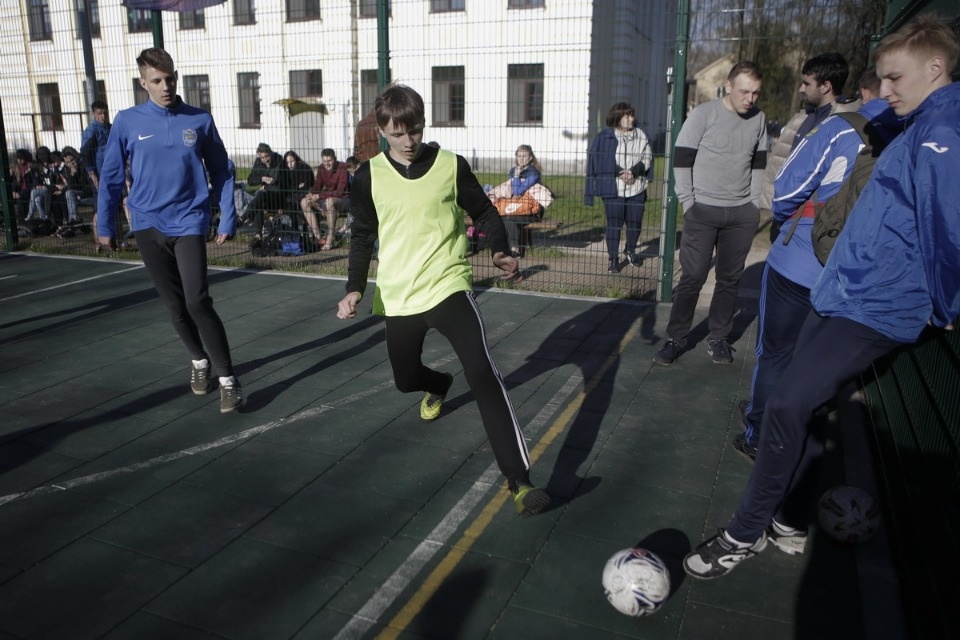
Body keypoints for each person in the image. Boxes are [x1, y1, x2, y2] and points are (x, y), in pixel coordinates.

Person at [683, 14, 959, 580]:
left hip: (876, 307)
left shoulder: (943, 131)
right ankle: (787, 518)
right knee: (800, 404)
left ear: (936, 68)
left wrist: (948, 304)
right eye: (880, 79)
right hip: (843, 293)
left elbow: (946, 224)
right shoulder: (913, 121)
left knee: (787, 403)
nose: (883, 91)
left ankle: (744, 533)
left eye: (894, 78)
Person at [336, 84, 550, 518]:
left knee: (483, 372)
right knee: (405, 379)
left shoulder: (451, 165)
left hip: (448, 284)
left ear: (423, 124)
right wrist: (354, 287)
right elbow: (361, 236)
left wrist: (499, 249)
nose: (409, 141)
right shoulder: (368, 177)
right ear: (382, 132)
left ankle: (519, 480)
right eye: (398, 134)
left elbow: (485, 211)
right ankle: (436, 385)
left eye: (414, 130)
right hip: (399, 294)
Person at [733, 67, 901, 463]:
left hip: (800, 263)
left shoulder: (840, 129)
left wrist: (792, 223)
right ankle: (793, 437)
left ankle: (759, 433)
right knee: (815, 365)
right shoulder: (915, 136)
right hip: (856, 276)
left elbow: (786, 190)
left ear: (865, 91)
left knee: (775, 353)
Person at [96, 47, 244, 413]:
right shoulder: (127, 121)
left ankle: (228, 380)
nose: (166, 86)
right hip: (147, 223)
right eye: (157, 80)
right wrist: (105, 223)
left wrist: (227, 217)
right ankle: (199, 359)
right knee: (175, 306)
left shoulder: (199, 120)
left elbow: (222, 172)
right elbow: (111, 177)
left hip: (189, 220)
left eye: (170, 79)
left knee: (197, 301)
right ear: (143, 83)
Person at [654, 62, 768, 365]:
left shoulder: (759, 119)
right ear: (728, 86)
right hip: (702, 210)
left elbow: (759, 164)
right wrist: (689, 203)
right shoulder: (704, 114)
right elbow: (681, 159)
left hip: (741, 214)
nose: (750, 99)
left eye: (756, 93)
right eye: (744, 91)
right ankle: (676, 338)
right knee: (692, 277)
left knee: (729, 279)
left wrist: (753, 204)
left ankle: (719, 338)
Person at [760, 52, 859, 229]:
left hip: (815, 221)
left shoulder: (845, 125)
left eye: (806, 83)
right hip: (784, 214)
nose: (801, 89)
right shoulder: (803, 117)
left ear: (825, 86)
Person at [584, 103, 654, 273]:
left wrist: (634, 172)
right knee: (614, 224)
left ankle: (630, 250)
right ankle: (613, 259)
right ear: (617, 117)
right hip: (613, 187)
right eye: (627, 116)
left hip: (636, 187)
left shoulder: (642, 135)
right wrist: (620, 172)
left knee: (635, 223)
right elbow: (599, 161)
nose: (631, 119)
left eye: (632, 115)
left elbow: (647, 158)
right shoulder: (605, 137)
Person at [488, 144, 545, 257]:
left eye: (524, 156)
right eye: (519, 156)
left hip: (531, 211)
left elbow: (517, 191)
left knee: (509, 218)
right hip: (516, 207)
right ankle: (508, 247)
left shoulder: (533, 173)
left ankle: (514, 249)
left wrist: (516, 176)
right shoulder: (513, 170)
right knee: (503, 217)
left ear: (530, 158)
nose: (521, 159)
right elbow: (511, 191)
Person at [300, 148, 349, 250]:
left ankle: (330, 239)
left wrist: (319, 196)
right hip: (327, 198)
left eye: (330, 160)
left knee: (330, 201)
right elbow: (317, 186)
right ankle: (319, 238)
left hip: (344, 199)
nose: (327, 164)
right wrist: (311, 194)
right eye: (325, 161)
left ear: (335, 159)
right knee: (304, 202)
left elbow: (340, 192)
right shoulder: (321, 168)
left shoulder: (343, 167)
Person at [244, 143, 284, 231]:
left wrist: (267, 187)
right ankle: (258, 234)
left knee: (260, 195)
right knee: (260, 199)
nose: (265, 160)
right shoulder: (258, 162)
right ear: (259, 156)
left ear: (271, 153)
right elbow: (250, 180)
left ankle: (243, 218)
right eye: (262, 158)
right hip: (264, 196)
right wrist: (262, 179)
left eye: (267, 156)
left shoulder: (279, 160)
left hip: (277, 196)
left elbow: (281, 183)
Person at [80, 100, 110, 193]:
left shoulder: (110, 128)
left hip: (111, 168)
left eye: (105, 113)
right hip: (98, 171)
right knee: (101, 197)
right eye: (100, 113)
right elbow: (84, 152)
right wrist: (91, 173)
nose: (103, 116)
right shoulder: (91, 131)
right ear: (93, 114)